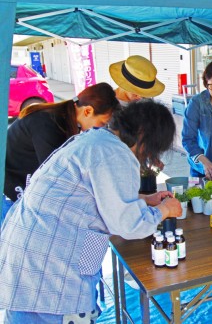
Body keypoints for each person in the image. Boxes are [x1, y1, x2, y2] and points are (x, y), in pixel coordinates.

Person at [0, 100, 182, 323]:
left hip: (29, 258)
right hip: (48, 275)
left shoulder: (97, 140)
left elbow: (96, 195)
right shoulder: (115, 153)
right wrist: (164, 209)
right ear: (144, 135)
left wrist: (143, 200)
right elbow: (129, 225)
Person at [3, 82, 120, 204]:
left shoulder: (64, 120)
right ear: (87, 111)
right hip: (12, 189)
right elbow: (55, 174)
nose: (101, 129)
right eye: (102, 123)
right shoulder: (47, 123)